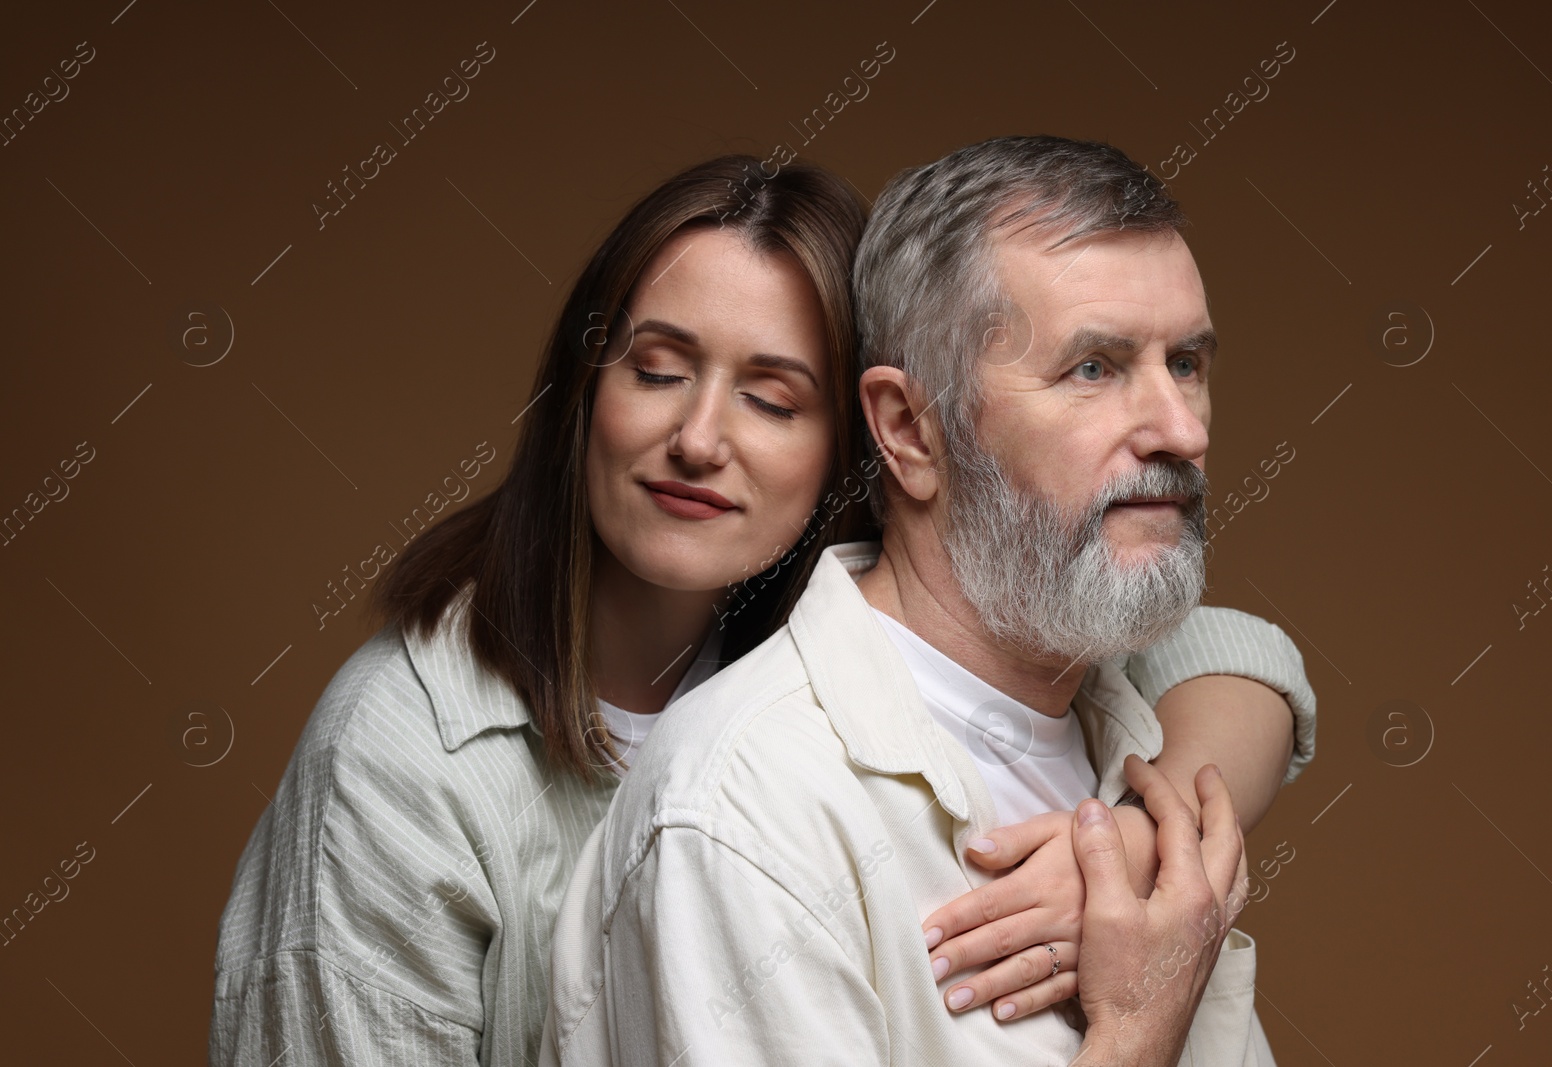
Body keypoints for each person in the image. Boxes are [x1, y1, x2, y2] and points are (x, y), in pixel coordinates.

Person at [212, 152, 1312, 1065]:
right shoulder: (415, 754)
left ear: (864, 443)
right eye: (655, 370)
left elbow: (1226, 653)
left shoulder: (928, 640)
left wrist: (1116, 837)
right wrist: (1136, 1023)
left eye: (773, 397)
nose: (699, 439)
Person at [540, 136, 1298, 1066]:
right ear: (908, 429)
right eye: (1093, 369)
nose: (1180, 429)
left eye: (1185, 362)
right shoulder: (744, 818)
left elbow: (1252, 662)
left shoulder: (1130, 732)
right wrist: (1139, 1032)